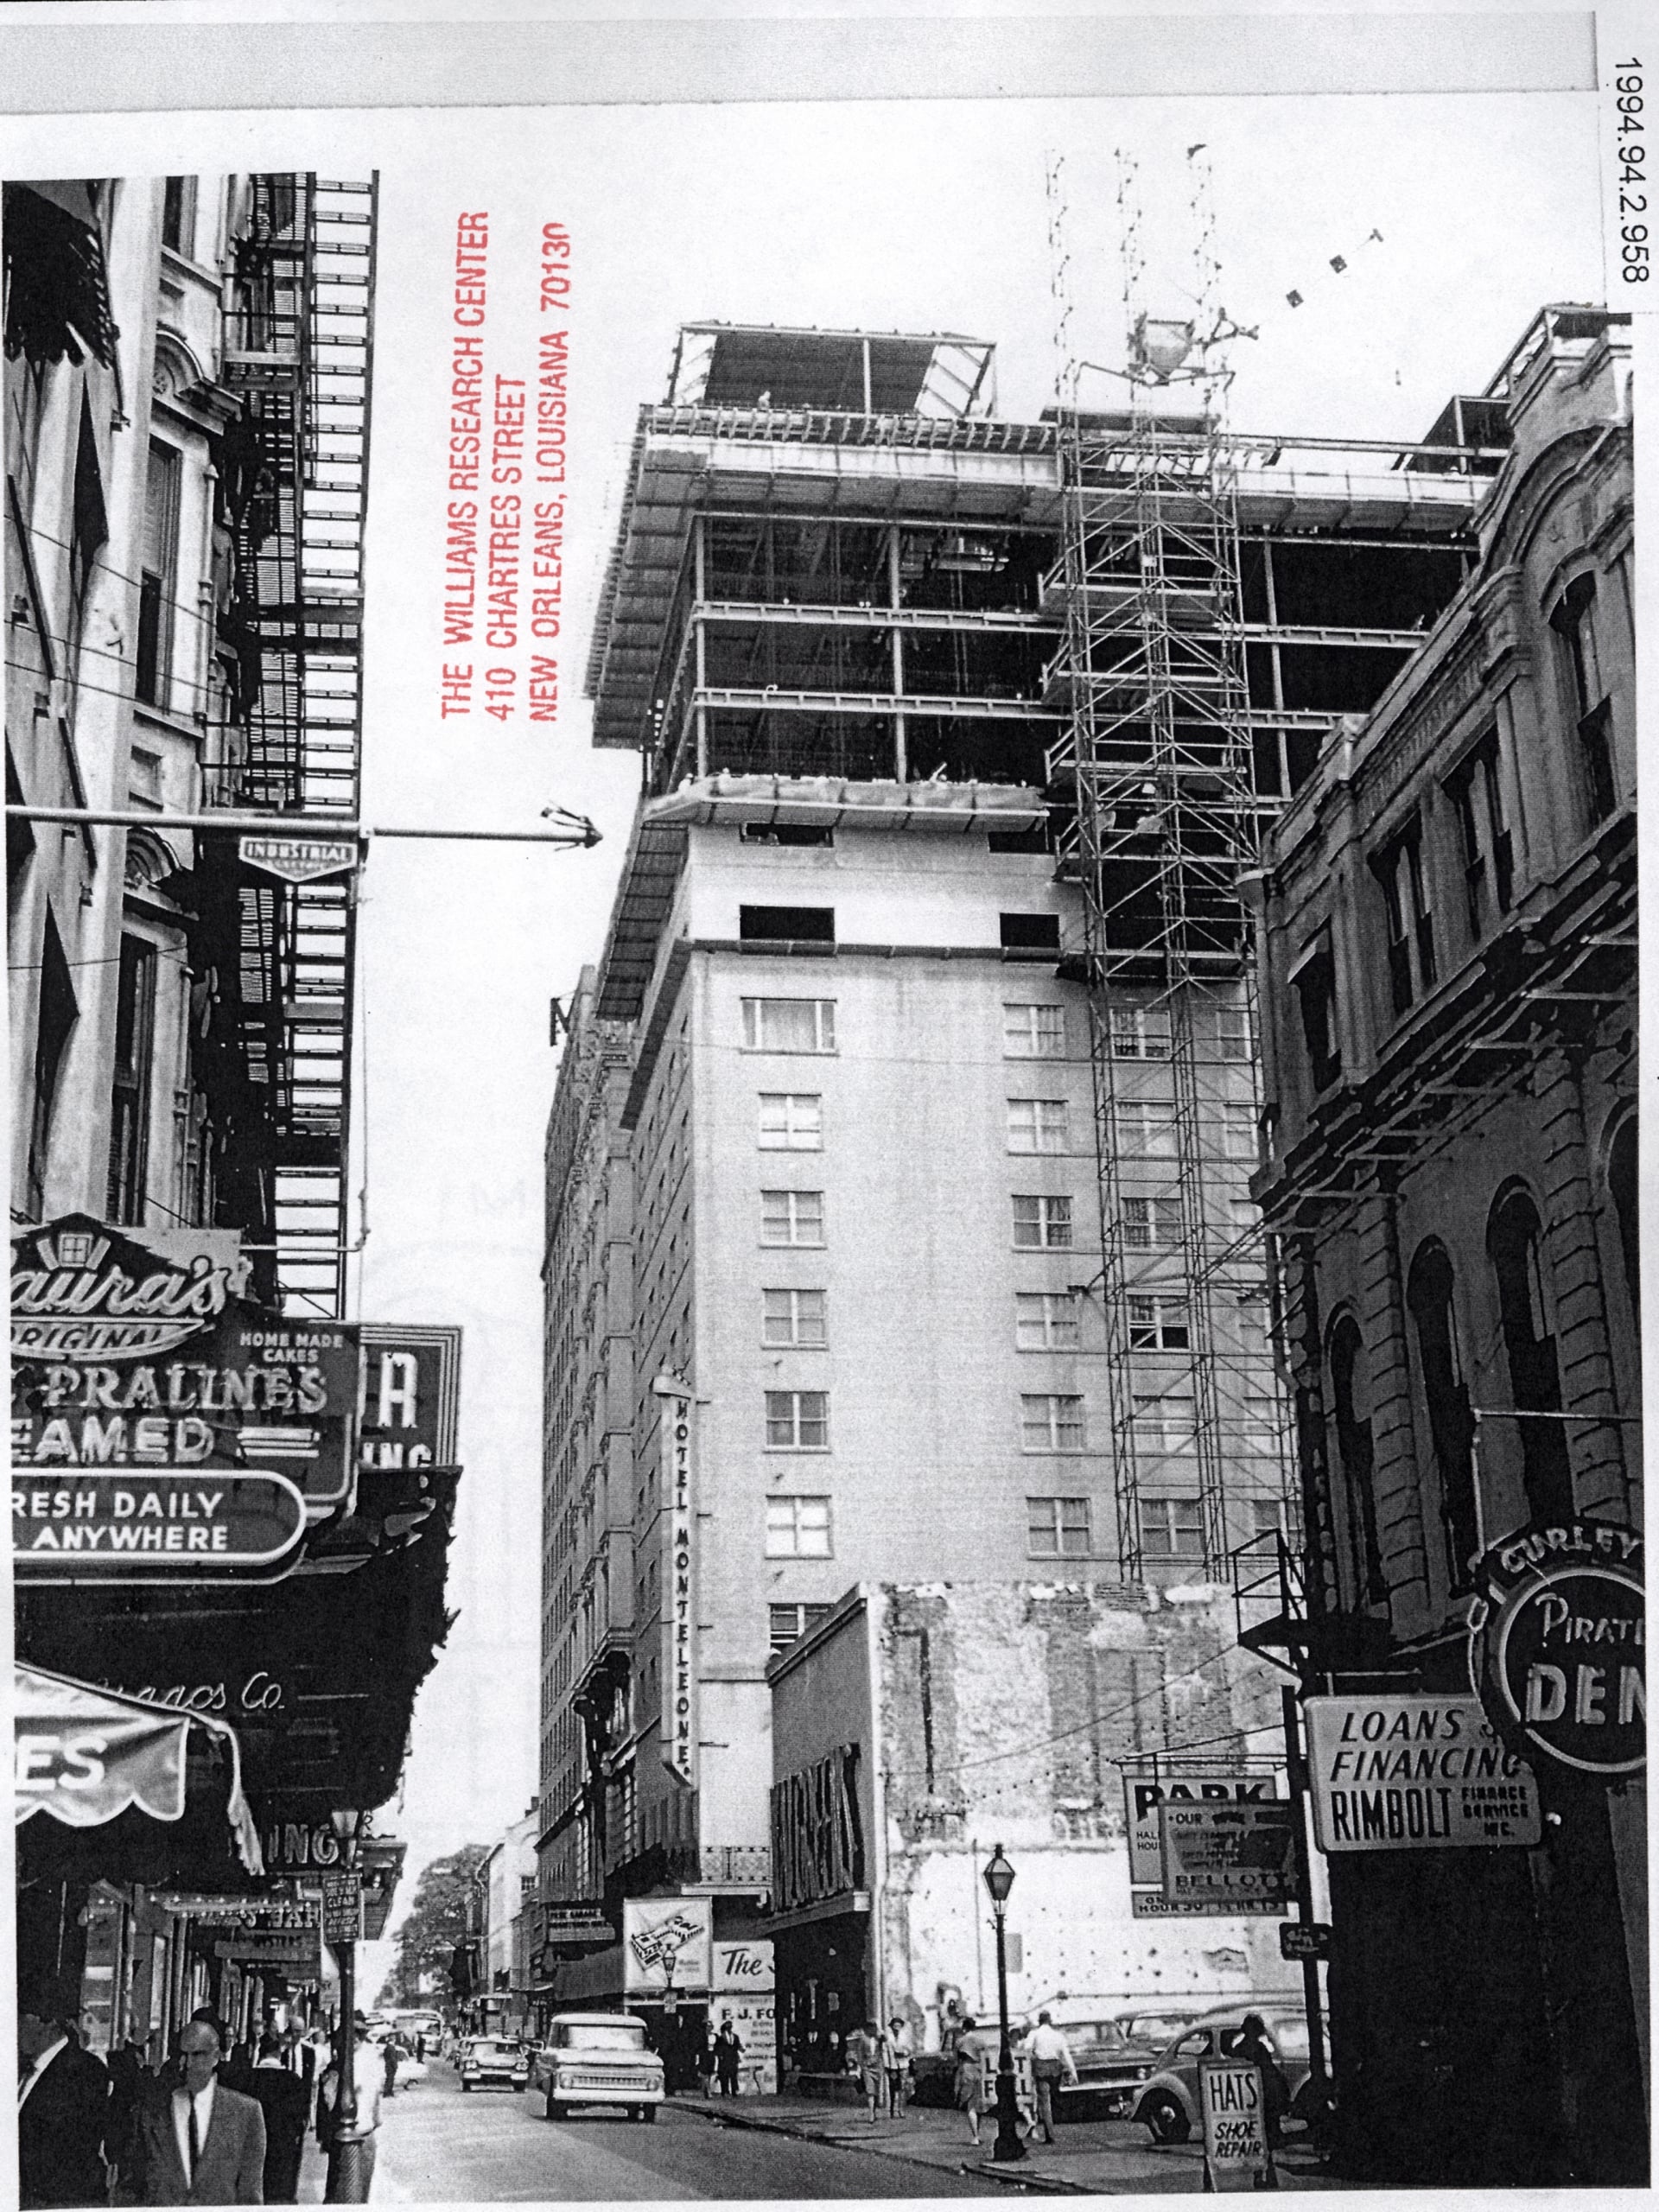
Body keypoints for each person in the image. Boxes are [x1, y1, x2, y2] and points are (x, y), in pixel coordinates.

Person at [132, 2017, 266, 2205]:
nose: (187, 2064)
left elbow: (250, 2194)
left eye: (197, 2055)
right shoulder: (150, 2112)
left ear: (215, 2056)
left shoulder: (245, 2113)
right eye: (182, 2055)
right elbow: (131, 2185)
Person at [17, 1993, 111, 2209]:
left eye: (20, 2018)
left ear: (46, 2021)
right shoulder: (24, 2068)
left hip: (57, 2201)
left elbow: (70, 2148)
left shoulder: (83, 2070)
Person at [315, 2015, 385, 2199]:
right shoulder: (336, 2067)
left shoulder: (371, 2062)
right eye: (350, 2034)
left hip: (365, 2133)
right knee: (339, 2192)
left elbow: (376, 2097)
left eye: (359, 2034)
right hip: (343, 2137)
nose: (355, 2038)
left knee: (361, 2192)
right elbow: (327, 2103)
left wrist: (376, 2119)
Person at [246, 2033, 310, 2204]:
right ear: (278, 2054)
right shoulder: (293, 2080)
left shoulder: (248, 2079)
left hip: (254, 2144)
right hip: (283, 2147)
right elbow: (300, 2117)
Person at [1232, 2014, 1290, 2149]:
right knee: (1270, 2117)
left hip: (1248, 2092)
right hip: (1262, 2089)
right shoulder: (1259, 2048)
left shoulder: (1239, 2048)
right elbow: (1268, 2069)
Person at [1024, 2012, 1078, 2145]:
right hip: (1055, 2068)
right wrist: (1073, 2071)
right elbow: (1066, 2054)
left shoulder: (1034, 2034)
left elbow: (1026, 2048)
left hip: (1041, 2067)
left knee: (1044, 2100)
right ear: (1050, 2021)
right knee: (1052, 2098)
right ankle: (1048, 2129)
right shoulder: (1058, 2035)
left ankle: (1049, 2133)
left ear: (1039, 2021)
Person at [953, 2015, 990, 2148]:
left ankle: (975, 2136)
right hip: (979, 2070)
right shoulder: (980, 2041)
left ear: (964, 2028)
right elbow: (986, 2057)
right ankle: (977, 2134)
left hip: (966, 2069)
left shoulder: (960, 2041)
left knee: (969, 2105)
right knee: (977, 2103)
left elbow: (956, 2060)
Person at [845, 2019, 887, 2125]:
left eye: (874, 2028)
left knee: (876, 2091)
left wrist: (881, 2033)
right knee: (870, 2091)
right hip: (867, 2068)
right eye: (870, 2028)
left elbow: (885, 2040)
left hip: (878, 2067)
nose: (872, 2030)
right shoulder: (863, 2039)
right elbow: (860, 2053)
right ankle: (871, 2113)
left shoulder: (878, 2039)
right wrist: (862, 2065)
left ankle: (874, 2110)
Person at [885, 2016, 913, 2121]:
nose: (897, 2028)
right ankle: (891, 2109)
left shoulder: (905, 2037)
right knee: (892, 2087)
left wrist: (904, 2053)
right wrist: (887, 2065)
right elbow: (885, 2052)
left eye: (899, 2026)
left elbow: (910, 2049)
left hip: (903, 2064)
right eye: (895, 2026)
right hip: (892, 2065)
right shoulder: (888, 2038)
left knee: (903, 2087)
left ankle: (901, 2109)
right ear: (891, 2027)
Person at [712, 2018, 744, 2097]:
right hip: (724, 2058)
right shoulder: (721, 2037)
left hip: (733, 2058)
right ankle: (724, 2091)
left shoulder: (735, 2037)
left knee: (733, 2075)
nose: (729, 2029)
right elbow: (718, 2048)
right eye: (728, 2027)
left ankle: (734, 2091)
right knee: (724, 2075)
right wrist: (720, 2056)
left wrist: (741, 2050)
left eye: (730, 2027)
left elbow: (737, 2045)